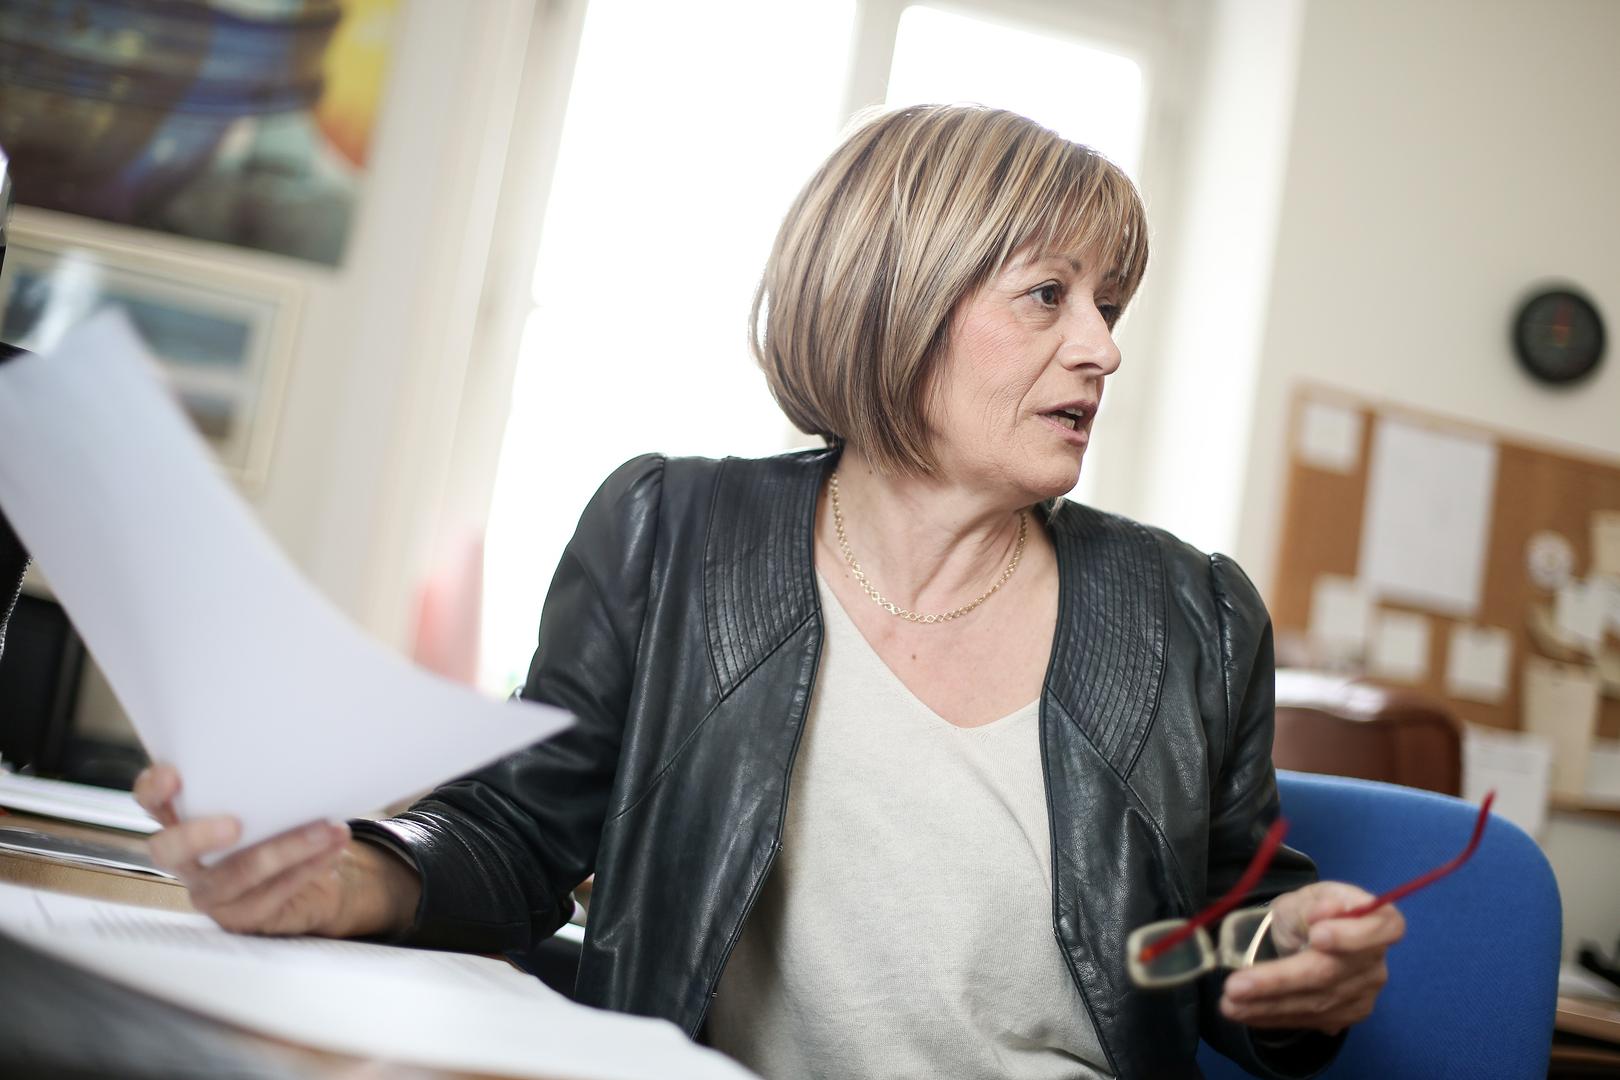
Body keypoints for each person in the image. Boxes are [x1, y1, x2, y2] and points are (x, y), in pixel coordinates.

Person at [130, 105, 1403, 1078]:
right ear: (898, 297)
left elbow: (1220, 924)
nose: (1104, 347)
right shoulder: (671, 533)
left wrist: (1295, 958)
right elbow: (515, 837)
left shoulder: (1192, 616)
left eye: (1110, 305)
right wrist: (350, 878)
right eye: (1048, 296)